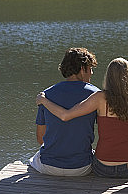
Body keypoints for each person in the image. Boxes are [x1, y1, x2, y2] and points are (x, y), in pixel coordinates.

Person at [36, 57, 128, 179]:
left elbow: (65, 116)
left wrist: (44, 101)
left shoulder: (100, 98)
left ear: (108, 77)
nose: (92, 73)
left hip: (103, 168)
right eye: (91, 69)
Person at [30, 47, 99, 176]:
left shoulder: (46, 95)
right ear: (82, 69)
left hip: (48, 166)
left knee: (33, 159)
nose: (91, 73)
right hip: (81, 168)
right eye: (90, 69)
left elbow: (40, 138)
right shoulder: (96, 95)